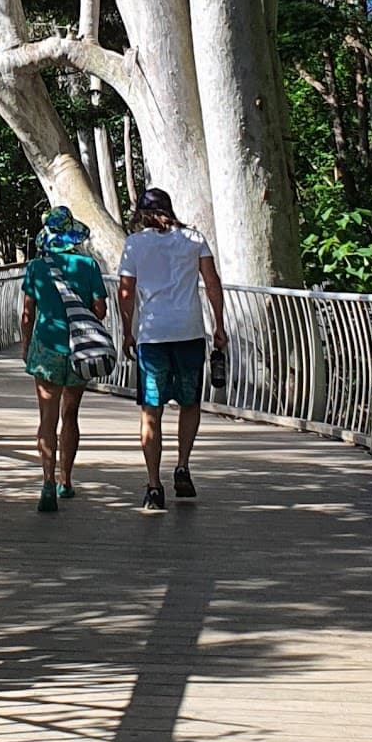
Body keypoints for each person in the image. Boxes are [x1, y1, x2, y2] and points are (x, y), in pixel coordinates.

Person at [117, 187, 226, 511]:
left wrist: (127, 331)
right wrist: (219, 325)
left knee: (152, 410)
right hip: (189, 331)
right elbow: (212, 282)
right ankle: (182, 465)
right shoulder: (194, 239)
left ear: (141, 214)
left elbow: (126, 292)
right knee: (190, 402)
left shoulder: (134, 244)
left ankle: (153, 485)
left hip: (153, 335)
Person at [20, 207, 110, 513]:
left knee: (47, 418)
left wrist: (25, 346)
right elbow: (100, 310)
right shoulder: (88, 265)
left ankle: (46, 483)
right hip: (78, 350)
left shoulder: (36, 267)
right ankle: (66, 480)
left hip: (46, 346)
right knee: (70, 414)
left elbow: (27, 313)